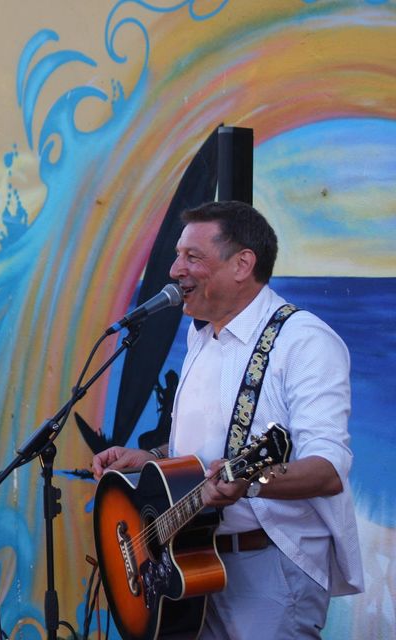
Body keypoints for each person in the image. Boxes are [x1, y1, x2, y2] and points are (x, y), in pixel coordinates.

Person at [91, 201, 363, 639]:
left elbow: (329, 469)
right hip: (190, 561)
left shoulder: (304, 342)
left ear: (242, 264)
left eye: (192, 257)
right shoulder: (202, 334)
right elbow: (206, 448)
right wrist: (150, 458)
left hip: (267, 566)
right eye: (177, 255)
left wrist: (253, 482)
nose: (174, 269)